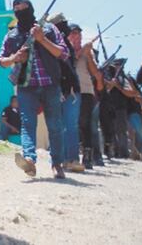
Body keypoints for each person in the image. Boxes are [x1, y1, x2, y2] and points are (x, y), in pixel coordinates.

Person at [0, 0, 68, 178]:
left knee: (55, 124)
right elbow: (2, 61)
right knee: (28, 124)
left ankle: (57, 163)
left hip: (50, 84)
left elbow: (62, 53)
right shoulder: (11, 35)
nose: (20, 11)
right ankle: (29, 160)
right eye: (17, 9)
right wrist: (15, 58)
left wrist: (42, 39)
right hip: (25, 86)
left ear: (32, 8)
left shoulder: (48, 29)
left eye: (24, 7)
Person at [67, 25, 103, 169]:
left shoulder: (87, 52)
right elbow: (71, 61)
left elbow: (95, 72)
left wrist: (87, 54)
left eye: (79, 34)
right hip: (70, 91)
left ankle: (88, 156)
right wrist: (80, 51)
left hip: (86, 90)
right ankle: (72, 155)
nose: (78, 37)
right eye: (74, 34)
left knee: (85, 122)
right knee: (72, 123)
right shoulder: (65, 49)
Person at [51, 15, 84, 172]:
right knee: (64, 126)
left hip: (69, 90)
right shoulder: (54, 42)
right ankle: (65, 159)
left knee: (68, 125)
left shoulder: (61, 43)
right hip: (60, 90)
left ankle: (70, 159)